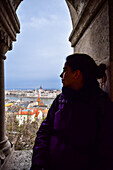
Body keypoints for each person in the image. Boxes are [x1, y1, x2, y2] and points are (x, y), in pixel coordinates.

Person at [31, 53, 113, 170]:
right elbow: (44, 131)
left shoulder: (102, 107)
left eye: (65, 70)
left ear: (76, 74)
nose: (61, 75)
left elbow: (106, 153)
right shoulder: (60, 100)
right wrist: (38, 163)